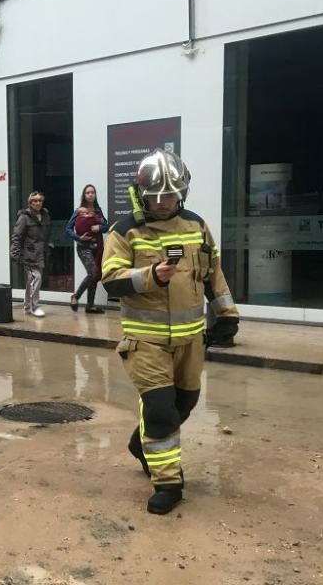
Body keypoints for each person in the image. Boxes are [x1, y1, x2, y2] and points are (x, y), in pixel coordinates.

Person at [102, 149, 239, 515]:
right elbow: (111, 281)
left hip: (191, 341)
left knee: (184, 406)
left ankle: (139, 443)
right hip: (143, 342)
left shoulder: (196, 226)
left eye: (169, 195)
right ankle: (168, 482)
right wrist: (150, 276)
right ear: (142, 193)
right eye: (154, 196)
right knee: (161, 411)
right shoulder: (123, 230)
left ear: (182, 193)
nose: (162, 203)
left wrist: (226, 314)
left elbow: (213, 273)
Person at [66, 184, 109, 314]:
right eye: (87, 193)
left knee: (95, 277)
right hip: (83, 248)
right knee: (92, 273)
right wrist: (79, 238)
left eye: (92, 192)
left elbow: (106, 225)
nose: (90, 194)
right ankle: (76, 296)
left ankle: (90, 306)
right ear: (84, 195)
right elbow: (68, 228)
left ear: (95, 195)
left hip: (98, 247)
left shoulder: (98, 210)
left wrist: (100, 228)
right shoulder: (79, 210)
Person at [11, 191, 51, 318]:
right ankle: (35, 306)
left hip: (41, 253)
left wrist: (49, 245)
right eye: (35, 201)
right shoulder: (24, 217)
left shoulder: (45, 215)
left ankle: (27, 306)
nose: (38, 203)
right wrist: (15, 253)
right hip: (29, 254)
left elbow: (48, 233)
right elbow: (17, 236)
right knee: (37, 278)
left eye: (40, 200)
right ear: (30, 203)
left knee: (31, 281)